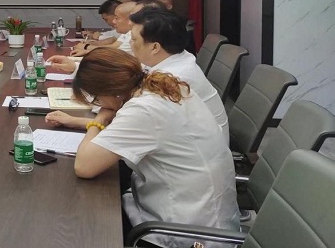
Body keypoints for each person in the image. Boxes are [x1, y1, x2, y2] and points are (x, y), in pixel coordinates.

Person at [45, 48, 239, 248]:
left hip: (184, 234)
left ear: (111, 91)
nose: (99, 104)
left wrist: (99, 120)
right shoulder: (165, 86)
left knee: (88, 229)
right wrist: (84, 122)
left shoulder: (144, 109)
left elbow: (84, 166)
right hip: (201, 214)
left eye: (96, 98)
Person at [129, 7, 228, 144]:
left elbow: (136, 118)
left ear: (155, 47)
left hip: (199, 147)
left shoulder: (174, 78)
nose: (130, 44)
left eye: (133, 40)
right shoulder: (174, 57)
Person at [71, 1, 135, 56]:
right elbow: (114, 45)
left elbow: (115, 52)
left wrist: (86, 47)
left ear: (130, 20)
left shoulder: (135, 34)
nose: (114, 21)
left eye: (117, 18)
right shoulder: (128, 33)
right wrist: (87, 49)